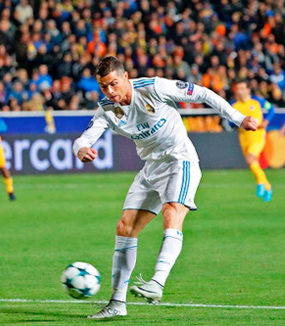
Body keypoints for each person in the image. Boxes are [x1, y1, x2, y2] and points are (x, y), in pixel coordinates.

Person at [73, 56, 257, 319]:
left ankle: (157, 283)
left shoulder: (154, 87)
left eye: (114, 84)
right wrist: (81, 149)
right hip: (151, 168)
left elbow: (202, 93)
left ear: (126, 77)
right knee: (125, 228)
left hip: (179, 160)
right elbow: (84, 138)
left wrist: (238, 118)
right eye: (104, 87)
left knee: (172, 211)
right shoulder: (107, 109)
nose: (110, 92)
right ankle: (117, 303)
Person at [231, 79, 275, 201]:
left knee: (250, 159)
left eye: (241, 88)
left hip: (258, 135)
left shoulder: (258, 101)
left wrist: (266, 122)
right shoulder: (235, 105)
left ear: (248, 89)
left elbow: (271, 109)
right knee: (252, 163)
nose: (239, 91)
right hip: (244, 137)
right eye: (237, 89)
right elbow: (230, 122)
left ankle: (260, 183)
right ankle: (268, 186)